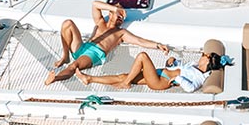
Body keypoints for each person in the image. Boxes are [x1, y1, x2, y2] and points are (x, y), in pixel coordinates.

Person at [45, 0, 169, 85]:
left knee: (74, 66)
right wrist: (115, 8)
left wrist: (157, 45)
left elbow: (139, 41)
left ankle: (56, 78)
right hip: (83, 47)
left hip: (95, 54)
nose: (121, 17)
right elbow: (95, 4)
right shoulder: (100, 22)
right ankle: (65, 56)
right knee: (68, 24)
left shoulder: (120, 33)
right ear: (110, 13)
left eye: (122, 17)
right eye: (118, 14)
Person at [76, 51, 231, 92]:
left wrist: (178, 78)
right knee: (123, 76)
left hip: (160, 81)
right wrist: (173, 62)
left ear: (208, 62)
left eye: (205, 56)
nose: (202, 55)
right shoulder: (194, 64)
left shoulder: (201, 77)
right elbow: (180, 66)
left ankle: (125, 83)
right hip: (162, 72)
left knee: (142, 57)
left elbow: (190, 88)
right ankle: (89, 79)